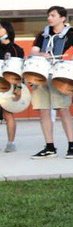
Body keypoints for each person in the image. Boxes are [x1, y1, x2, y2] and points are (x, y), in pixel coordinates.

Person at [31, 6, 73, 159]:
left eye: (53, 15)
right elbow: (33, 51)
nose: (49, 18)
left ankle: (71, 146)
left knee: (63, 109)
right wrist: (43, 54)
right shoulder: (42, 34)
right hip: (41, 75)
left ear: (62, 18)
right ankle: (49, 147)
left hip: (60, 75)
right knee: (43, 111)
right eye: (48, 15)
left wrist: (72, 61)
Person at [1, 20, 24, 152]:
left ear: (7, 30)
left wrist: (18, 87)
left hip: (8, 86)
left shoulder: (16, 49)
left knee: (8, 114)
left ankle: (11, 143)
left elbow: (19, 71)